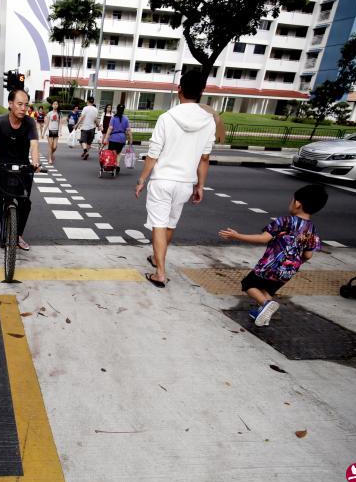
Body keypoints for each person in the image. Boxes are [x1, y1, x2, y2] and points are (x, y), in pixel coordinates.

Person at [134, 70, 215, 288]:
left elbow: (153, 154)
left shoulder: (167, 118)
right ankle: (157, 258)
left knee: (159, 225)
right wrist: (201, 186)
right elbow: (204, 158)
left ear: (179, 89)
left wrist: (142, 180)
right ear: (201, 91)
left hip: (162, 180)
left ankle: (160, 273)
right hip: (185, 183)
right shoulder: (209, 121)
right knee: (170, 224)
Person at [218, 184, 328, 326]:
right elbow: (308, 255)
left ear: (297, 203)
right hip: (289, 270)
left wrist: (237, 236)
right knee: (267, 289)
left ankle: (266, 305)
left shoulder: (284, 221)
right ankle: (263, 316)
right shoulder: (311, 229)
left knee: (248, 284)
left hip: (270, 265)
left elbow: (263, 238)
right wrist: (295, 262)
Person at [0, 89, 41, 250]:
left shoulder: (30, 122)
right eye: (19, 104)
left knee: (25, 202)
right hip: (1, 166)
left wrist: (36, 163)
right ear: (10, 103)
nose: (23, 108)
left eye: (26, 105)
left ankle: (18, 235)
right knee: (0, 194)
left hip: (23, 167)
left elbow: (34, 145)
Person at [102, 103, 132, 174]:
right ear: (123, 110)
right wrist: (131, 139)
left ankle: (113, 164)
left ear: (117, 109)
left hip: (113, 138)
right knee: (119, 152)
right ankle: (117, 165)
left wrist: (106, 138)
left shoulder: (113, 118)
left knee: (113, 152)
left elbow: (110, 128)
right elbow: (129, 130)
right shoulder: (126, 118)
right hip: (122, 138)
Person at [44, 100, 61, 164]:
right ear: (52, 105)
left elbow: (60, 123)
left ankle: (51, 154)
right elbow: (47, 123)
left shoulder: (59, 113)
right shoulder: (49, 113)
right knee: (50, 145)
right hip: (50, 131)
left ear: (58, 105)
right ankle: (50, 159)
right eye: (54, 104)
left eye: (56, 104)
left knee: (55, 147)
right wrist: (43, 133)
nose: (55, 105)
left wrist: (60, 131)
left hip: (56, 131)